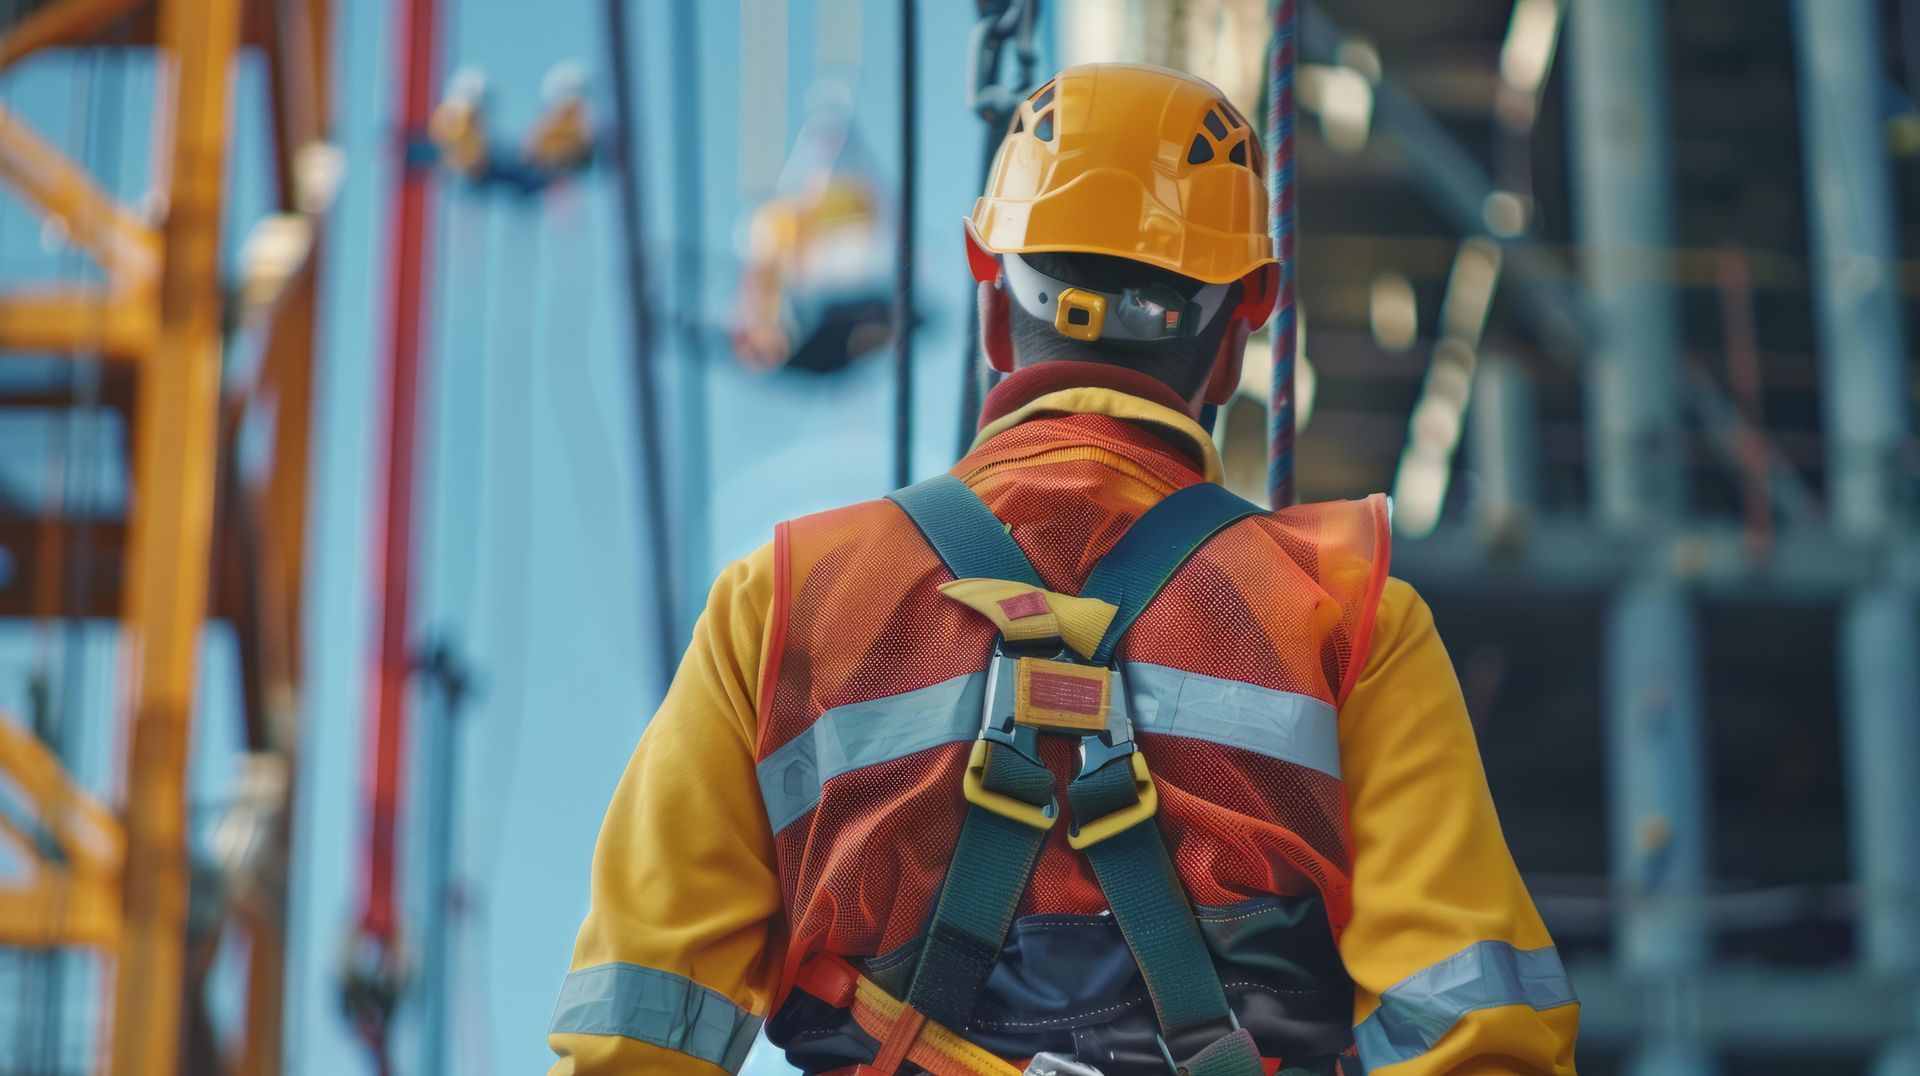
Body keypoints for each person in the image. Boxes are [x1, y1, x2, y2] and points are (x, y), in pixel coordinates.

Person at [548, 63, 1578, 1076]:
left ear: (993, 303)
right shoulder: (1347, 616)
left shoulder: (779, 607)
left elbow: (632, 1046)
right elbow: (1481, 1045)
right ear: (1240, 331)